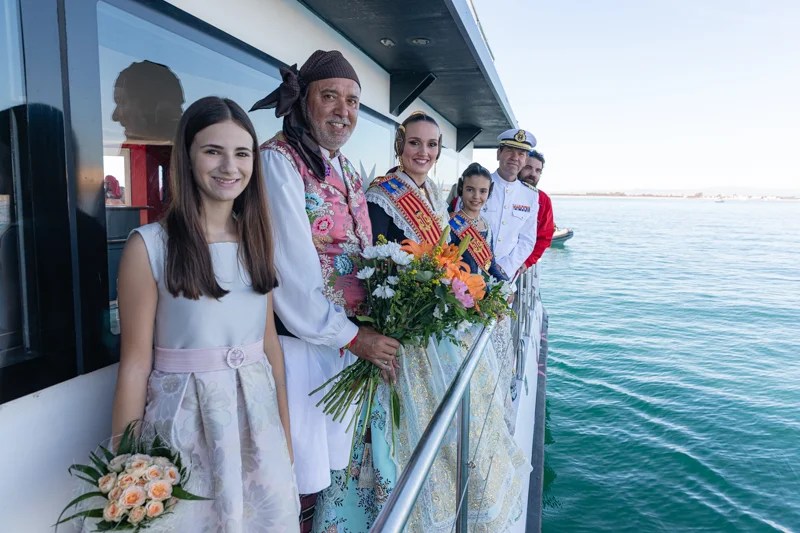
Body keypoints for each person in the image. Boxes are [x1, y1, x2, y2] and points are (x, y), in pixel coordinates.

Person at [315, 112, 529, 533]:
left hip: (427, 325)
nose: (423, 152)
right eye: (415, 143)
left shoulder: (432, 192)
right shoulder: (381, 196)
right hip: (398, 332)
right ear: (400, 145)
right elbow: (371, 265)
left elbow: (444, 255)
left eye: (432, 145)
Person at [109, 96, 300, 531]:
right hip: (184, 425)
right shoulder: (149, 246)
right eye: (213, 151)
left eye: (242, 153)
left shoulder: (258, 240)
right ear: (187, 156)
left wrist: (285, 438)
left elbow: (270, 347)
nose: (229, 166)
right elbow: (135, 364)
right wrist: (125, 466)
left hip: (256, 424)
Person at [250, 49, 400, 530]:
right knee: (294, 470)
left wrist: (376, 323)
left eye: (352, 101)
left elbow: (363, 251)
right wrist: (355, 338)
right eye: (330, 97)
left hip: (341, 342)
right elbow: (290, 274)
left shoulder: (347, 168)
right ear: (303, 102)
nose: (343, 111)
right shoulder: (278, 161)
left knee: (326, 468)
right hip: (298, 345)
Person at [482, 129, 539, 279]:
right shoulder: (478, 184)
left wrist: (503, 268)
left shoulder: (530, 195)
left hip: (505, 278)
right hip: (472, 271)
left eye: (521, 154)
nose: (515, 157)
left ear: (525, 160)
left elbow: (527, 239)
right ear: (498, 153)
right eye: (509, 151)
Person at [447, 162, 508, 280]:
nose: (476, 196)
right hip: (457, 287)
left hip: (481, 288)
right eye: (470, 190)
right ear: (461, 188)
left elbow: (490, 265)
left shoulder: (486, 226)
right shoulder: (452, 223)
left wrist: (504, 285)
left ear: (489, 192)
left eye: (483, 191)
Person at [519, 150, 554, 267]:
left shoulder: (543, 200)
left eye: (538, 170)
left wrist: (526, 263)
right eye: (528, 168)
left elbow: (545, 237)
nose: (533, 174)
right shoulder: (506, 192)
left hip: (521, 266)